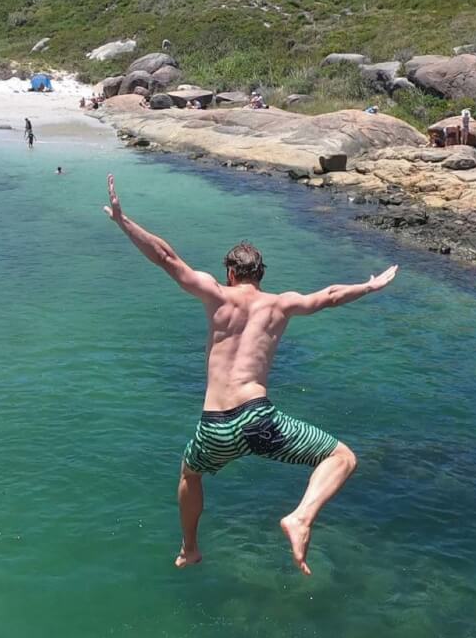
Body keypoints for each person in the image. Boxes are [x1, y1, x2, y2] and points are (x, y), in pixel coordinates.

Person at [104, 173, 398, 575]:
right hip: (260, 420)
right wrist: (369, 286)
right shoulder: (279, 305)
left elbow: (166, 258)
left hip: (215, 427)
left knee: (191, 473)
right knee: (341, 457)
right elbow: (328, 296)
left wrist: (123, 221)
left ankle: (189, 548)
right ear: (261, 276)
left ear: (230, 273)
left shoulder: (216, 295)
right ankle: (300, 517)